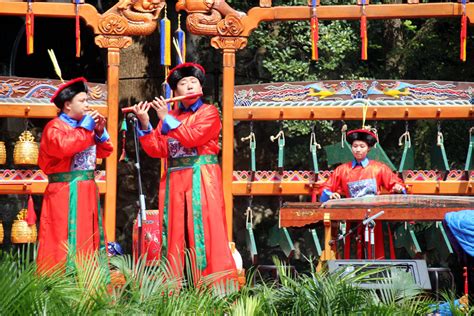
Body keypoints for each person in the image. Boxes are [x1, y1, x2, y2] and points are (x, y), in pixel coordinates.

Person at [131, 62, 238, 286]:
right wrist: (144, 122)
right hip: (174, 180)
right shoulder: (169, 115)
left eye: (194, 82)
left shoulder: (209, 112)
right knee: (174, 232)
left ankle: (213, 286)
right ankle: (175, 289)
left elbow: (193, 137)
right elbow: (157, 149)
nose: (189, 86)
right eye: (183, 83)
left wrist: (164, 118)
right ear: (174, 91)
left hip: (201, 176)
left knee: (206, 230)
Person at [37, 77, 113, 273]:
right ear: (67, 105)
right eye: (82, 101)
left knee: (87, 235)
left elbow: (105, 151)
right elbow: (66, 147)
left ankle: (89, 284)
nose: (87, 105)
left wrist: (99, 131)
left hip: (86, 190)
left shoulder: (84, 127)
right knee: (62, 236)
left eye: (87, 100)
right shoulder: (54, 127)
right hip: (64, 192)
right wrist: (86, 128)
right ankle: (59, 284)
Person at [319, 128, 405, 259]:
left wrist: (399, 188)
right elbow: (326, 187)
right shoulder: (342, 170)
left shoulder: (379, 168)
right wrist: (330, 194)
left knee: (378, 253)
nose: (358, 149)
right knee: (354, 255)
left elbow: (397, 184)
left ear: (369, 148)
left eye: (362, 146)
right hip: (353, 218)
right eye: (355, 146)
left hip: (376, 218)